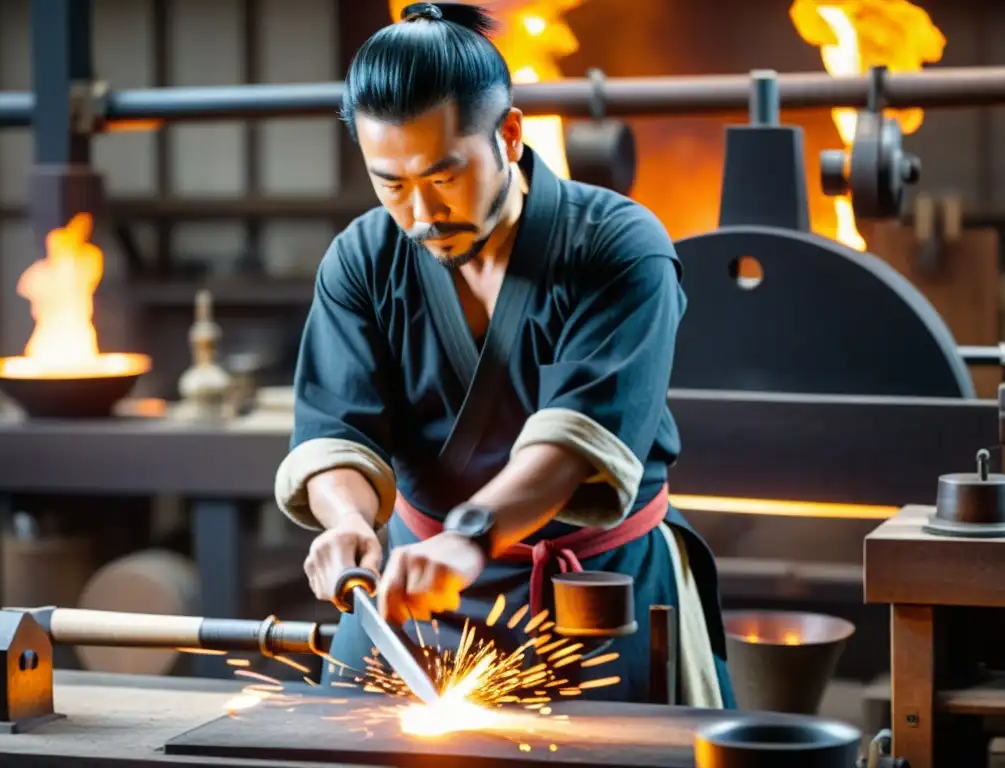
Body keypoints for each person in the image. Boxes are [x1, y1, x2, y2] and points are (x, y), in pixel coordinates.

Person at [274, 1, 735, 708]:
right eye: (390, 184)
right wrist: (347, 522)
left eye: (444, 175)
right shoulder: (363, 259)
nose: (421, 214)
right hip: (411, 592)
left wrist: (472, 536)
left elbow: (575, 446)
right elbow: (338, 435)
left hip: (598, 595)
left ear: (510, 135)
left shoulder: (618, 248)